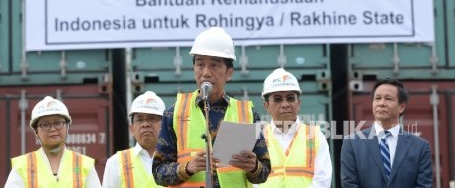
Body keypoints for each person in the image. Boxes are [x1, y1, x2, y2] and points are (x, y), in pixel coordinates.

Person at [152, 27, 271, 187]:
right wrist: (188, 167)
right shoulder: (173, 113)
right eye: (200, 65)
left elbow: (263, 173)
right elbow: (158, 173)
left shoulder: (247, 113)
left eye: (214, 66)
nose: (206, 73)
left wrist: (254, 167)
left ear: (229, 73)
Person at [341, 78, 433, 188]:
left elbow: (423, 186)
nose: (381, 103)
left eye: (388, 99)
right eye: (377, 98)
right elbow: (349, 184)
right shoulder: (352, 144)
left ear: (401, 107)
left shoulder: (420, 147)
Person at [4, 96, 101, 187]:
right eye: (45, 125)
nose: (52, 129)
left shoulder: (84, 164)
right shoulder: (22, 166)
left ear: (67, 126)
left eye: (57, 123)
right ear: (36, 131)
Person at [259, 68, 332, 187]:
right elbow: (251, 182)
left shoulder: (316, 136)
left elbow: (322, 181)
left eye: (290, 98)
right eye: (277, 99)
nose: (285, 104)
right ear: (266, 106)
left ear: (299, 103)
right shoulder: (257, 137)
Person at [102, 91, 165, 187]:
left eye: (152, 118)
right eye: (139, 119)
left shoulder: (175, 160)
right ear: (131, 129)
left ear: (164, 125)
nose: (145, 124)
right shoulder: (116, 163)